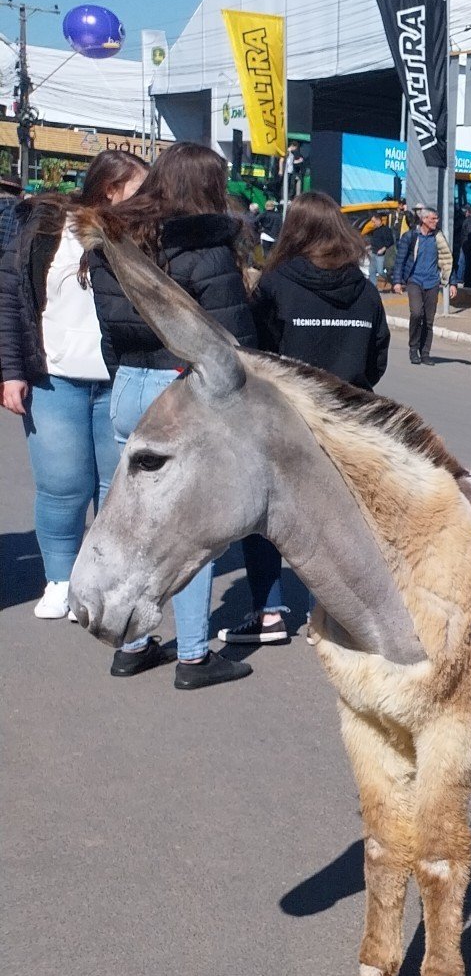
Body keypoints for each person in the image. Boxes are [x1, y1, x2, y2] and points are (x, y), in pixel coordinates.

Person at [86, 140, 258, 689]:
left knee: (135, 519)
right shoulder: (205, 247)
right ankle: (192, 656)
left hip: (130, 384)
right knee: (193, 528)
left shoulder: (115, 241)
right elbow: (237, 342)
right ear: (206, 186)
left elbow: (110, 330)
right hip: (183, 390)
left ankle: (130, 644)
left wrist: (128, 376)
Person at [230, 192, 391, 647]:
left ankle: (269, 612)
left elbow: (257, 354)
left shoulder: (276, 285)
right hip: (349, 423)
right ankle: (344, 618)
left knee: (266, 519)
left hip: (287, 420)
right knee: (342, 522)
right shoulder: (365, 290)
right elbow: (378, 357)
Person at [1, 149, 151, 620]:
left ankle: (101, 581)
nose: (148, 197)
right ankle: (60, 579)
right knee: (63, 486)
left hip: (121, 378)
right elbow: (10, 298)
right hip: (55, 379)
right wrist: (11, 372)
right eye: (139, 188)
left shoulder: (140, 234)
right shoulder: (45, 229)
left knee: (116, 489)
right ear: (111, 189)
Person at [390, 206, 451, 364]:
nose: (436, 221)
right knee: (417, 313)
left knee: (428, 320)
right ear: (423, 220)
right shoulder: (410, 236)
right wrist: (397, 281)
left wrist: (453, 282)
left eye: (436, 219)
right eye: (433, 219)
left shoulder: (438, 238)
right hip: (414, 281)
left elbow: (447, 260)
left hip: (432, 282)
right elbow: (400, 260)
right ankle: (413, 348)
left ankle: (425, 353)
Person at [364, 212, 397, 288]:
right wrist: (368, 247)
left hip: (381, 254)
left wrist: (383, 249)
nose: (373, 223)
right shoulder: (374, 231)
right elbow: (374, 242)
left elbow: (390, 241)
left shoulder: (386, 230)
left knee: (380, 271)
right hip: (373, 253)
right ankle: (374, 287)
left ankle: (393, 282)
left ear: (379, 220)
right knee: (371, 271)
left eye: (374, 221)